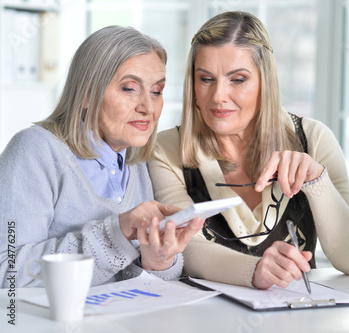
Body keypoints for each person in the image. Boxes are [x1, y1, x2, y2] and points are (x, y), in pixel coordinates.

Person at [148, 11, 349, 289]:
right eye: (206, 79)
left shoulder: (314, 139)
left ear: (264, 82)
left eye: (238, 79)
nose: (218, 96)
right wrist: (254, 270)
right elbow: (186, 247)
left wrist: (316, 180)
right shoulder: (166, 149)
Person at [0, 26, 203, 288]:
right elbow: (8, 273)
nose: (148, 108)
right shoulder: (35, 150)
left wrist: (158, 261)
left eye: (156, 91)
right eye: (129, 88)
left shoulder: (136, 162)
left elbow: (136, 284)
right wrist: (115, 233)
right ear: (86, 93)